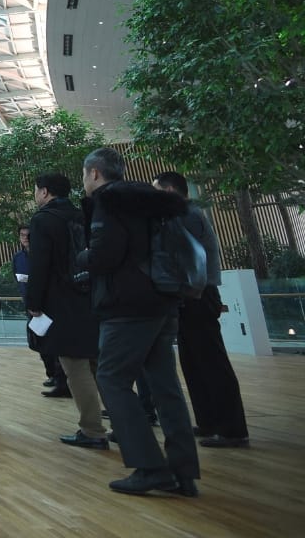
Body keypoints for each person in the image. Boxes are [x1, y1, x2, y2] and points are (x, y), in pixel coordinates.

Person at [76, 148, 199, 496]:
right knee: (165, 386)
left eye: (85, 175)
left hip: (127, 305)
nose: (84, 182)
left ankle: (149, 466)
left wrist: (82, 256)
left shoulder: (111, 201)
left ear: (96, 173)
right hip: (161, 301)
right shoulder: (152, 201)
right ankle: (183, 471)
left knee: (111, 379)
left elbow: (106, 255)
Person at [153, 171, 250, 448]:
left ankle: (232, 428)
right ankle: (209, 421)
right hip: (188, 296)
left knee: (211, 361)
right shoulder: (184, 215)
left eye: (157, 190)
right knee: (194, 361)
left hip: (198, 294)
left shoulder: (187, 215)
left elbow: (186, 258)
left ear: (170, 190)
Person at [24, 173, 106, 449]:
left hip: (62, 301)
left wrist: (33, 302)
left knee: (75, 366)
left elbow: (40, 265)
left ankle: (93, 430)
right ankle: (124, 423)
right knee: (98, 365)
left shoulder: (43, 220)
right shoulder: (82, 214)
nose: (35, 196)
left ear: (44, 192)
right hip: (92, 296)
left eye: (36, 191)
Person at [16, 226, 68, 394]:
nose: (25, 238)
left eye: (28, 235)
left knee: (54, 345)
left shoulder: (44, 256)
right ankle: (52, 375)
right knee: (38, 344)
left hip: (47, 307)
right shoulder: (17, 258)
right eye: (22, 235)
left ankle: (61, 380)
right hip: (30, 307)